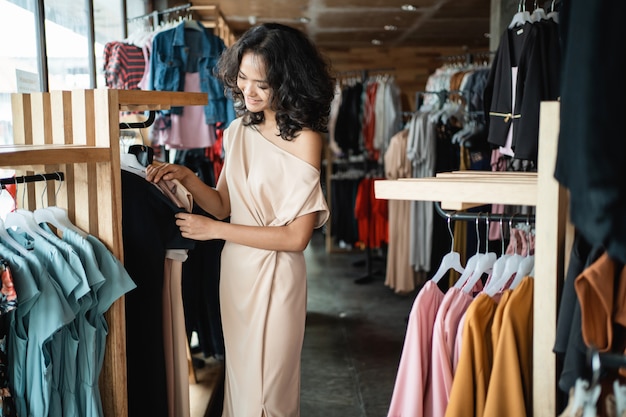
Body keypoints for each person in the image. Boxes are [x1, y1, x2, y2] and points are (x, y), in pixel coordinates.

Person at [146, 22, 335, 417]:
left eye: (260, 84)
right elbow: (221, 204)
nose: (247, 91)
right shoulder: (236, 132)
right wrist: (187, 177)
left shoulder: (305, 139)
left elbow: (297, 237)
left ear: (286, 83)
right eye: (242, 78)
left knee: (270, 394)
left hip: (278, 274)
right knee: (242, 383)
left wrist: (214, 232)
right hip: (236, 274)